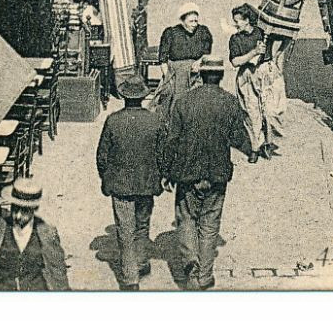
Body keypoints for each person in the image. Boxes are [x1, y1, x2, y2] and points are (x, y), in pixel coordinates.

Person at [158, 56, 254, 291]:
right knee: (210, 225)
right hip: (217, 174)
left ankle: (190, 263)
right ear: (220, 76)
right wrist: (251, 150)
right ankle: (205, 275)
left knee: (187, 220)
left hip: (186, 174)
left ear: (200, 75)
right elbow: (239, 137)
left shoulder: (184, 102)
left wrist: (166, 171)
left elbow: (172, 141)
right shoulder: (230, 102)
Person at [97, 76, 165, 290]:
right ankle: (142, 261)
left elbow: (102, 156)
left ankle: (129, 278)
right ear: (144, 96)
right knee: (142, 226)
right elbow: (163, 155)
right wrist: (160, 175)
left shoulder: (113, 120)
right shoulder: (154, 120)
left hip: (121, 185)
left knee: (125, 231)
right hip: (146, 184)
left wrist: (106, 177)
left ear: (124, 96)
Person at [0, 178, 70, 291]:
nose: (18, 216)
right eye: (15, 209)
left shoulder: (47, 235)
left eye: (24, 210)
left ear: (34, 208)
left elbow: (58, 274)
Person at [228, 4, 276, 161]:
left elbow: (286, 37)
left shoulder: (262, 33)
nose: (236, 24)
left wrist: (277, 57)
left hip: (265, 74)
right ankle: (255, 148)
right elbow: (235, 62)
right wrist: (254, 52)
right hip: (247, 76)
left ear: (247, 20)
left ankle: (268, 143)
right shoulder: (235, 39)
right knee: (251, 113)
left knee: (269, 111)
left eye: (238, 21)